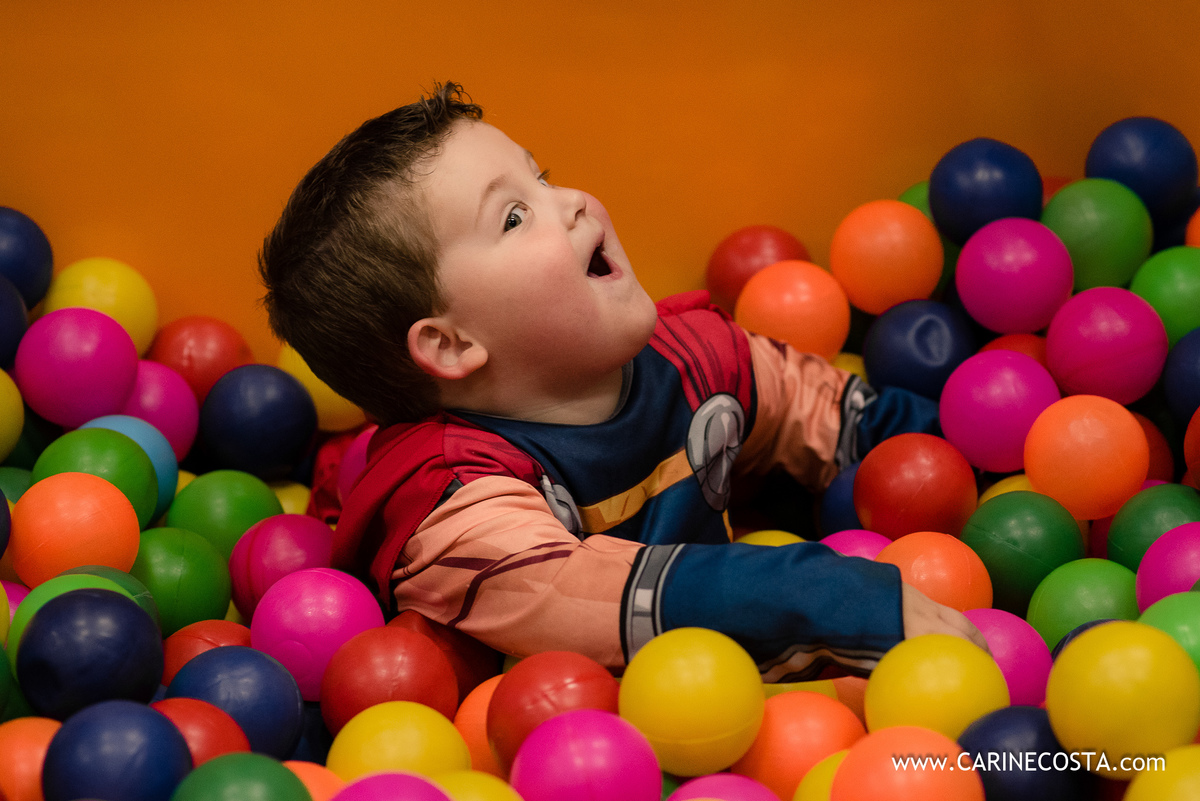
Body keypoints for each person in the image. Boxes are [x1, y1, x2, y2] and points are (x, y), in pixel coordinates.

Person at [259, 82, 984, 679]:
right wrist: (835, 595)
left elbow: (852, 422)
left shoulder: (700, 358)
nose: (570, 200)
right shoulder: (452, 511)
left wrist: (986, 467)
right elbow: (580, 593)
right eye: (514, 216)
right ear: (451, 343)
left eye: (539, 175)